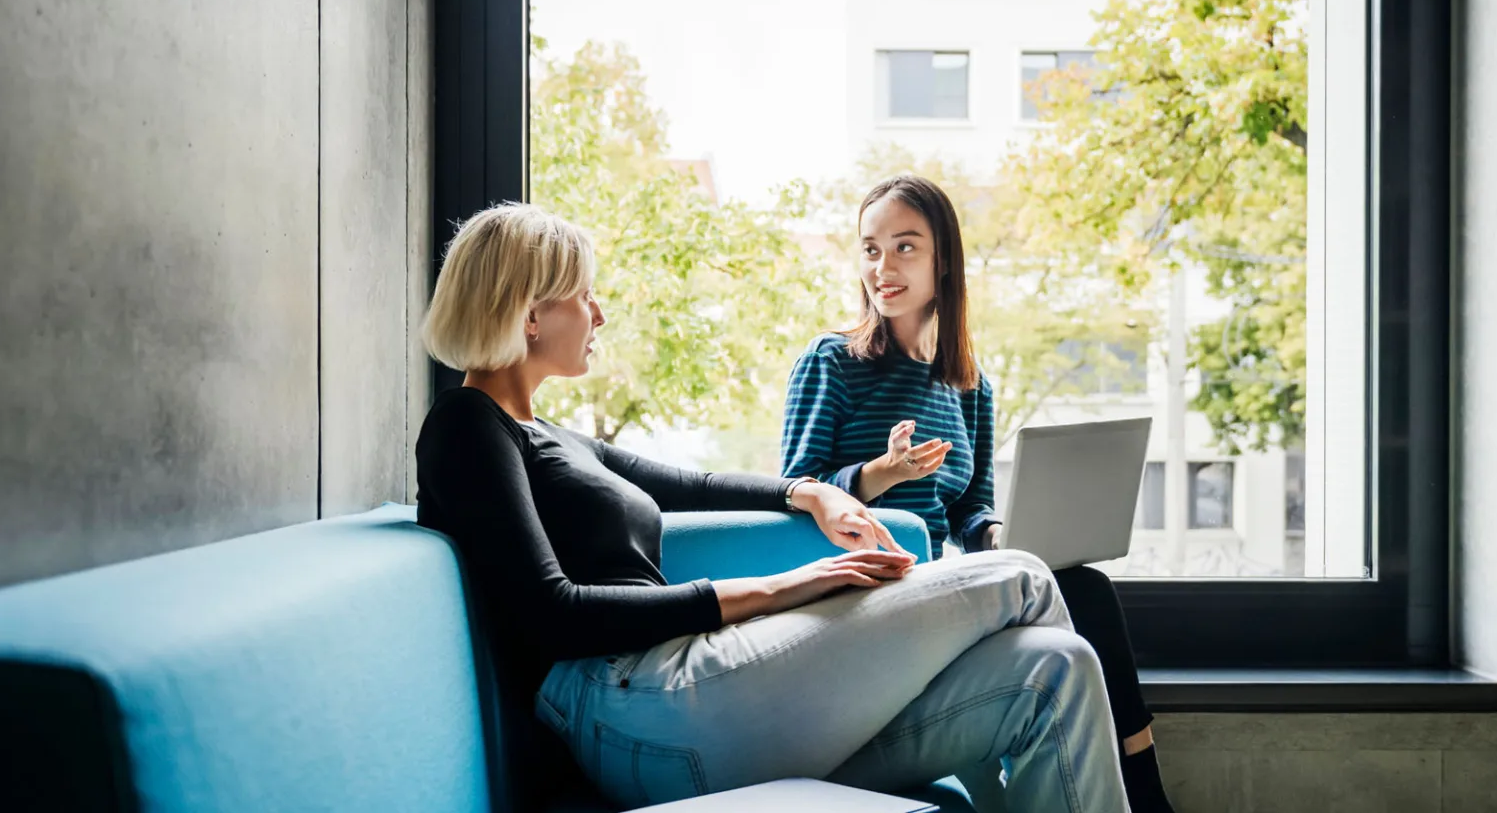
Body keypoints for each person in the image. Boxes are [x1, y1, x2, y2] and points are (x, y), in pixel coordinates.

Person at [413, 203, 1128, 811]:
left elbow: (692, 486)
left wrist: (811, 490)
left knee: (1051, 670)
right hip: (639, 704)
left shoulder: (554, 437)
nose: (599, 312)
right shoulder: (468, 425)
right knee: (1022, 575)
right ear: (531, 314)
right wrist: (786, 589)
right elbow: (552, 612)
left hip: (686, 698)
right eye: (583, 297)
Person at [782, 175, 1178, 813]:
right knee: (1080, 603)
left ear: (945, 262)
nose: (883, 267)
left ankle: (1138, 786)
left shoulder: (969, 385)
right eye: (870, 249)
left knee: (1084, 588)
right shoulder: (831, 361)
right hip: (864, 594)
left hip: (938, 587)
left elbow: (971, 511)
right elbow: (790, 487)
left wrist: (1001, 539)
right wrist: (882, 474)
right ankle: (1150, 798)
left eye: (905, 247)